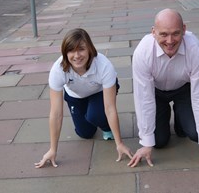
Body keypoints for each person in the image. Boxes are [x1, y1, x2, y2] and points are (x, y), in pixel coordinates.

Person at [128, 8, 199, 167]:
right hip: (156, 93)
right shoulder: (142, 52)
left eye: (175, 33)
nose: (170, 41)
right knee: (159, 141)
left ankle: (180, 115)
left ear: (184, 29)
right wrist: (146, 143)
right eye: (163, 34)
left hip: (184, 90)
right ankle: (165, 114)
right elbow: (144, 99)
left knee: (196, 134)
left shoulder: (196, 49)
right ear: (153, 32)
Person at [35, 28, 132, 168]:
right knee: (85, 133)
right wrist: (52, 149)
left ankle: (106, 127)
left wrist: (120, 143)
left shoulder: (103, 66)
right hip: (76, 97)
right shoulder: (58, 69)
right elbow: (56, 114)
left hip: (99, 92)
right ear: (65, 52)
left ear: (90, 49)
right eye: (71, 50)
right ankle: (89, 115)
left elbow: (110, 108)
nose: (76, 55)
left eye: (81, 49)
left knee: (95, 115)